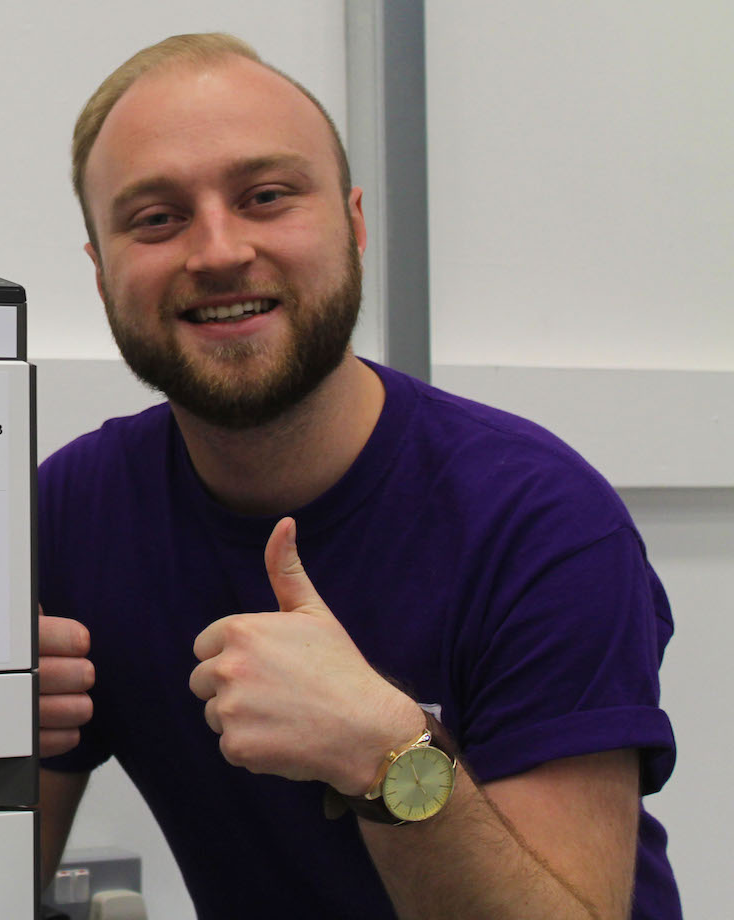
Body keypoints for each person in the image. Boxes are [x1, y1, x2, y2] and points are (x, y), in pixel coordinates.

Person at [36, 33, 679, 918]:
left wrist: (386, 754)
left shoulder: (539, 522)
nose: (218, 251)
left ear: (354, 222)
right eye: (157, 218)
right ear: (102, 274)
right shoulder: (72, 514)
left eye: (265, 196)